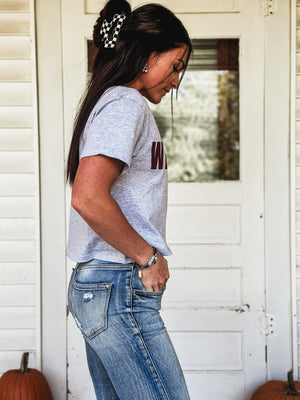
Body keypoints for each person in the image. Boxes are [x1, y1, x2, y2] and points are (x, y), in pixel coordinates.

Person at [66, 0, 192, 398]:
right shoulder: (125, 105)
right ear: (148, 56)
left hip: (105, 286)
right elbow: (87, 197)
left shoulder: (116, 103)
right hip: (117, 284)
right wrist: (147, 257)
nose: (176, 80)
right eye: (174, 66)